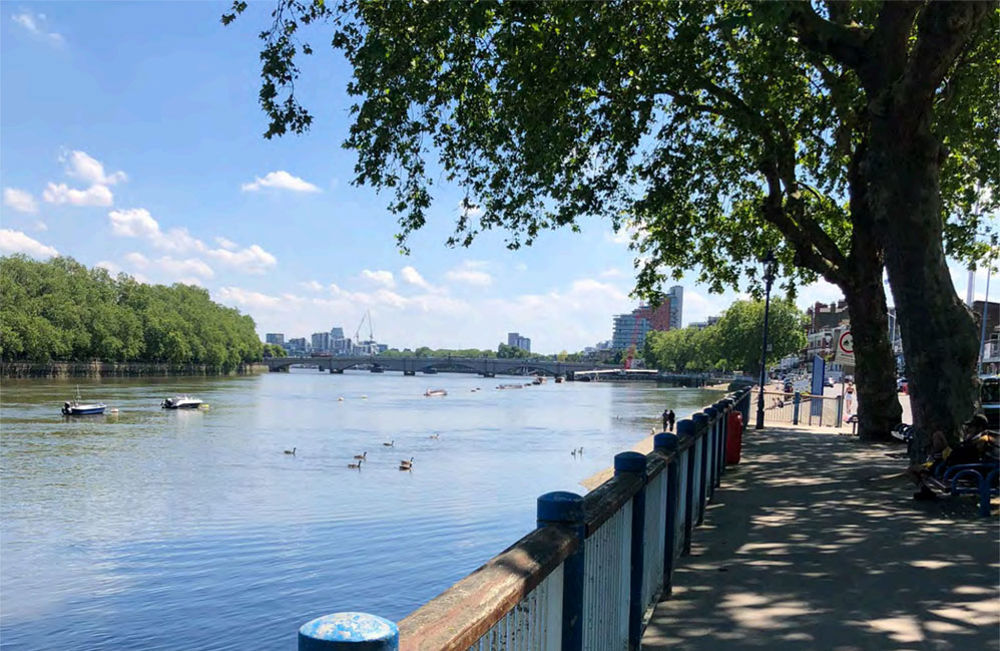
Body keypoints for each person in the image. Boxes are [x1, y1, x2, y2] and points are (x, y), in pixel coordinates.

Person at [911, 413, 995, 500]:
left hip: (955, 470)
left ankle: (926, 491)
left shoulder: (980, 440)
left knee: (913, 470)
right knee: (915, 469)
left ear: (980, 428)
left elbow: (967, 455)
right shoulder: (972, 439)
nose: (968, 429)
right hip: (952, 467)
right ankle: (926, 491)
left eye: (971, 427)